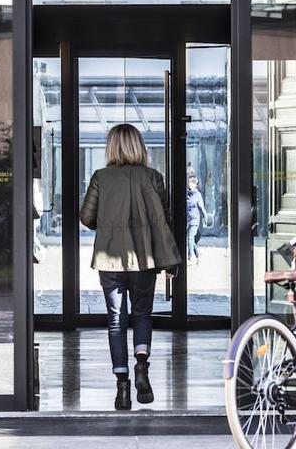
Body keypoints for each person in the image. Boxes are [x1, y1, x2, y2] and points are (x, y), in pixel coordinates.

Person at [79, 123, 181, 411]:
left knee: (115, 320)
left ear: (111, 147)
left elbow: (86, 218)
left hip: (109, 258)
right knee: (142, 315)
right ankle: (141, 366)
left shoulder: (101, 177)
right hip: (145, 258)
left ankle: (122, 387)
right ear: (140, 146)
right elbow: (165, 219)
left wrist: (109, 219)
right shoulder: (154, 178)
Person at [186, 175, 207, 265]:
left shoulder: (197, 195)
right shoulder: (187, 194)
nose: (189, 184)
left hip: (194, 220)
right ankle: (198, 256)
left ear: (195, 184)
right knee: (189, 239)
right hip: (187, 220)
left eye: (192, 183)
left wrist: (205, 218)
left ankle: (191, 257)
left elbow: (202, 207)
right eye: (189, 182)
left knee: (190, 238)